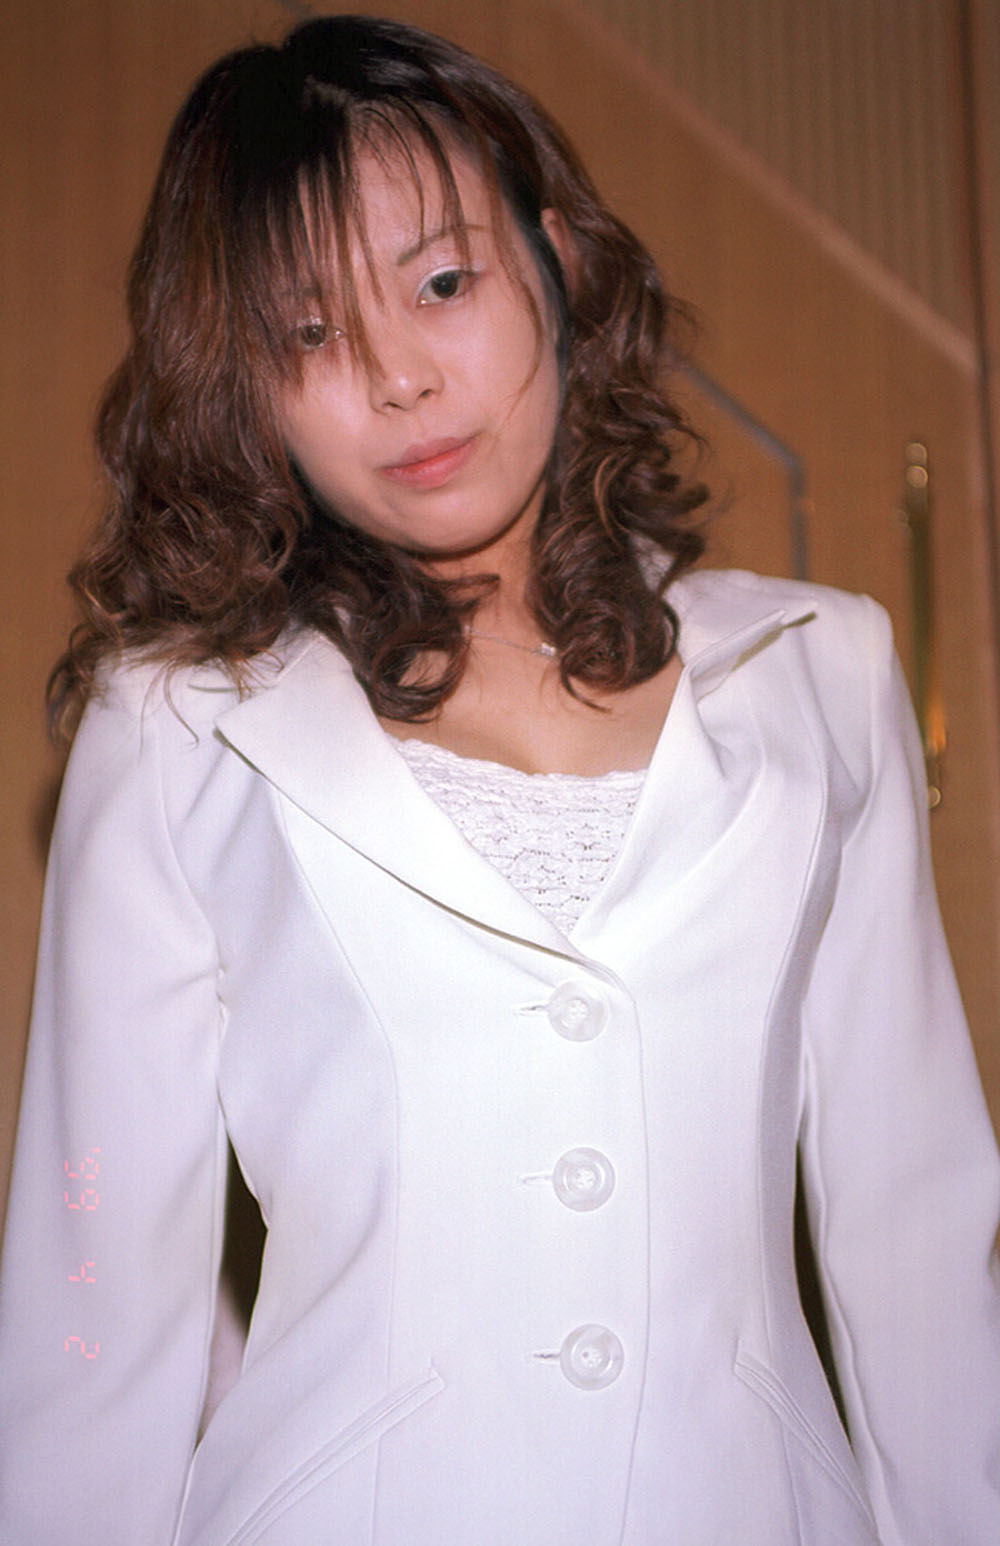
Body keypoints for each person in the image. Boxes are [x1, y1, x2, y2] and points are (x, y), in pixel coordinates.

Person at [1, 14, 998, 1545]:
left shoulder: (825, 673)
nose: (400, 377)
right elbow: (93, 1303)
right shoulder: (176, 729)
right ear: (248, 392)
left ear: (554, 263)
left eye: (442, 284)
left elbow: (920, 1247)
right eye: (310, 334)